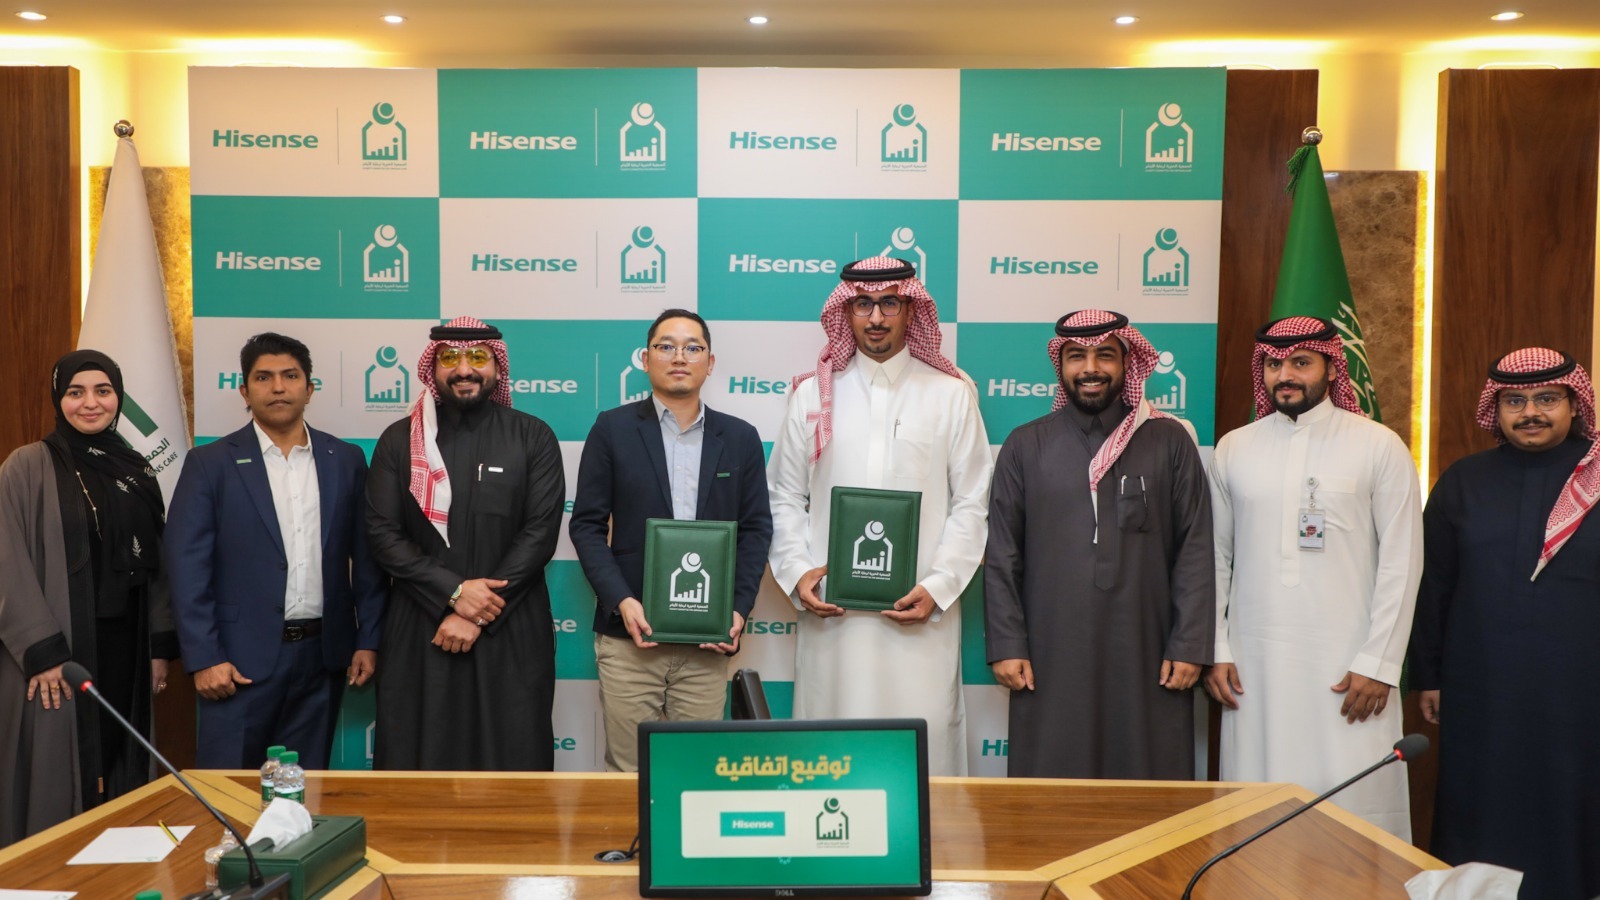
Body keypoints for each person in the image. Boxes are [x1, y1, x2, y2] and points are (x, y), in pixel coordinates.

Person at [767, 256, 991, 776]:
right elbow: (783, 495)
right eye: (863, 304)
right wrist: (799, 572)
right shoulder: (812, 395)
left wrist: (938, 586)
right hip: (834, 618)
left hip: (920, 616)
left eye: (889, 303)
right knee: (830, 757)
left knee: (921, 761)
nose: (875, 318)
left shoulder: (951, 394)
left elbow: (973, 500)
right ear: (844, 312)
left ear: (911, 310)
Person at [1206, 316, 1421, 839]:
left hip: (1350, 666)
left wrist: (1379, 663)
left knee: (1353, 809)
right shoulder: (1234, 447)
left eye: (1301, 362)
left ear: (1331, 368)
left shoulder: (1378, 445)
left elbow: (1403, 561)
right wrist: (1217, 647)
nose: (1285, 375)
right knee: (1258, 809)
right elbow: (1213, 556)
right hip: (1254, 666)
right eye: (1274, 364)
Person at [985, 310, 1213, 779]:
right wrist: (1007, 644)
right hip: (1048, 652)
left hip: (1149, 651)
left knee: (1150, 781)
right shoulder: (1025, 446)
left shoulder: (1169, 441)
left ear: (1127, 362)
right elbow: (1003, 555)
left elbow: (1194, 548)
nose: (1090, 368)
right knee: (1052, 782)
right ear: (1060, 365)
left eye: (1105, 355)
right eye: (1077, 356)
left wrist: (1190, 644)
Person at [1410, 347, 1600, 900]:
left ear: (1574, 404)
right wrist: (1429, 675)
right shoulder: (1463, 481)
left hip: (1582, 686)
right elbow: (1434, 586)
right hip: (1482, 683)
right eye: (1515, 401)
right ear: (1495, 409)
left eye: (1546, 399)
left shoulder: (1596, 476)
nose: (1530, 412)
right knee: (1484, 797)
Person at [166, 333, 384, 769]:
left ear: (310, 388)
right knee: (229, 790)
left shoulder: (345, 459)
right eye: (264, 377)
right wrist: (206, 657)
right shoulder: (210, 463)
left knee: (302, 791)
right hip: (236, 661)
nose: (278, 387)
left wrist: (369, 640)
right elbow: (186, 568)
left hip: (323, 657)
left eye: (290, 376)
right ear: (244, 391)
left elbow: (368, 560)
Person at [570, 309, 773, 772]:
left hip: (707, 642)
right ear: (646, 359)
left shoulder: (740, 438)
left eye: (692, 347)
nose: (679, 357)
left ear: (710, 362)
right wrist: (621, 601)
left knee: (696, 772)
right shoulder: (612, 428)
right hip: (629, 638)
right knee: (629, 771)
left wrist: (737, 610)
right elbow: (586, 526)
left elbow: (756, 530)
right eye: (666, 346)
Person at [365, 316, 565, 771]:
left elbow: (539, 533)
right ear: (432, 367)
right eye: (450, 358)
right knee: (419, 758)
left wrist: (478, 610)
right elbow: (383, 535)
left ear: (497, 366)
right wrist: (454, 593)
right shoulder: (399, 441)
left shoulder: (532, 436)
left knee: (513, 757)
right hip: (423, 625)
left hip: (510, 627)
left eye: (477, 357)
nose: (464, 369)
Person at [0, 350, 178, 845]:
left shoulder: (137, 468)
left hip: (125, 645)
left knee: (120, 756)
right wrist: (43, 652)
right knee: (60, 768)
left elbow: (157, 562)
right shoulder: (27, 466)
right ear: (59, 399)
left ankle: (116, 866)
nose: (91, 403)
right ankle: (49, 867)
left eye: (103, 391)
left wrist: (159, 646)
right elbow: (6, 561)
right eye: (76, 392)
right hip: (60, 649)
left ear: (118, 397)